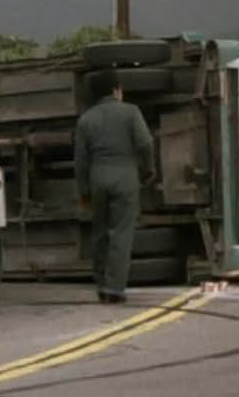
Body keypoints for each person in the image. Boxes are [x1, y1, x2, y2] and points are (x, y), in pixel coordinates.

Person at [74, 70, 155, 304]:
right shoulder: (131, 112)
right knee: (121, 233)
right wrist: (149, 169)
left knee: (99, 233)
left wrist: (84, 192)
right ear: (116, 90)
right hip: (125, 178)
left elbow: (80, 161)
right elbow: (146, 143)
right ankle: (115, 288)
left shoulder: (86, 120)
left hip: (97, 179)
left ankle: (100, 284)